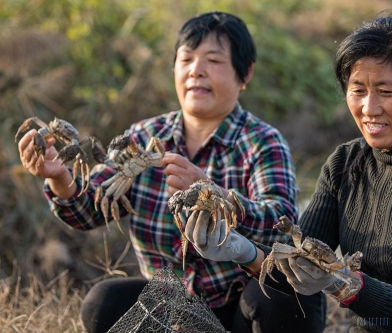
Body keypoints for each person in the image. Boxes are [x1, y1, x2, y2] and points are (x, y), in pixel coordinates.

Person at [185, 11, 392, 333]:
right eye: (358, 89)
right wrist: (240, 249)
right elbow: (297, 263)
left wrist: (341, 281)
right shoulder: (344, 163)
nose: (369, 107)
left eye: (387, 92)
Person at [17, 11, 327, 333]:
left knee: (280, 292)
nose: (196, 71)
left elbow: (281, 221)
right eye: (186, 59)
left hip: (242, 307)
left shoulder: (262, 142)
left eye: (213, 60)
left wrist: (213, 193)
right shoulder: (142, 137)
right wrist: (59, 177)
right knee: (103, 302)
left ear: (244, 73)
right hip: (173, 308)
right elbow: (89, 208)